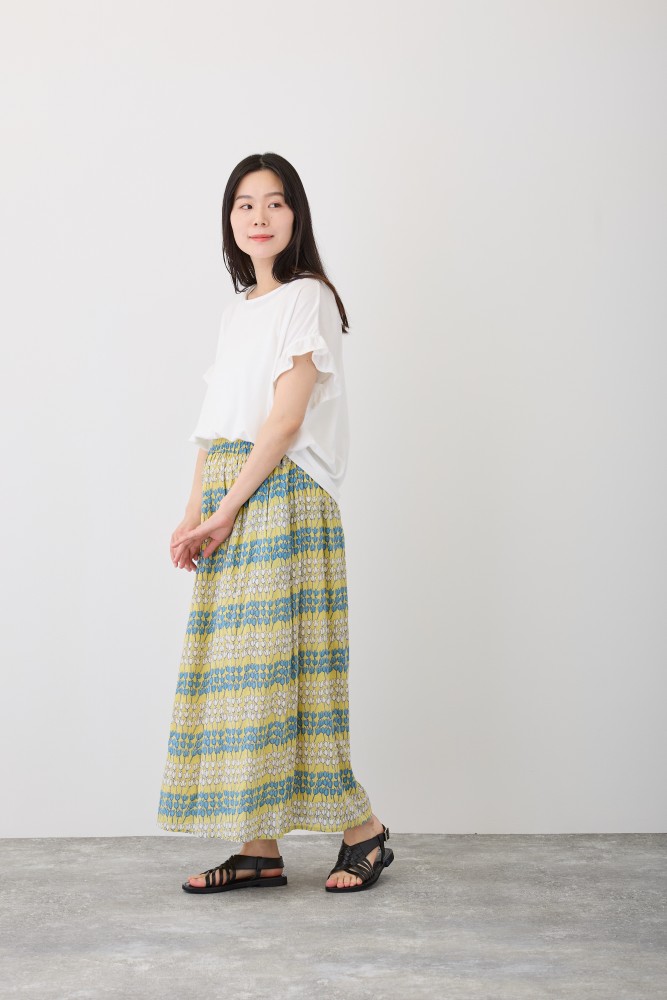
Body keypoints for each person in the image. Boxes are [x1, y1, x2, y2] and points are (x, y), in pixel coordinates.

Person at [156, 152, 395, 894]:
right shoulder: (238, 312)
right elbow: (215, 426)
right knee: (240, 680)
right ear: (229, 221)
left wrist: (226, 509)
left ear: (297, 216)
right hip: (235, 491)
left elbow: (285, 420)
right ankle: (259, 849)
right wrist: (194, 512)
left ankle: (363, 830)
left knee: (296, 675)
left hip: (284, 494)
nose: (258, 217)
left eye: (275, 202)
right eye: (244, 204)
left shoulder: (308, 297)